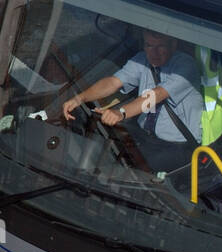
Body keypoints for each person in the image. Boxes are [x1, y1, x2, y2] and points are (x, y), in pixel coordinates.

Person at [62, 29, 203, 173]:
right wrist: (80, 98)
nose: (154, 53)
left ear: (173, 45)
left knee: (131, 172)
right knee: (102, 144)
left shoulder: (186, 66)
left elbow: (157, 94)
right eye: (149, 45)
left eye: (160, 47)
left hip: (177, 146)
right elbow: (113, 82)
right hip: (145, 136)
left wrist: (121, 113)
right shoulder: (142, 60)